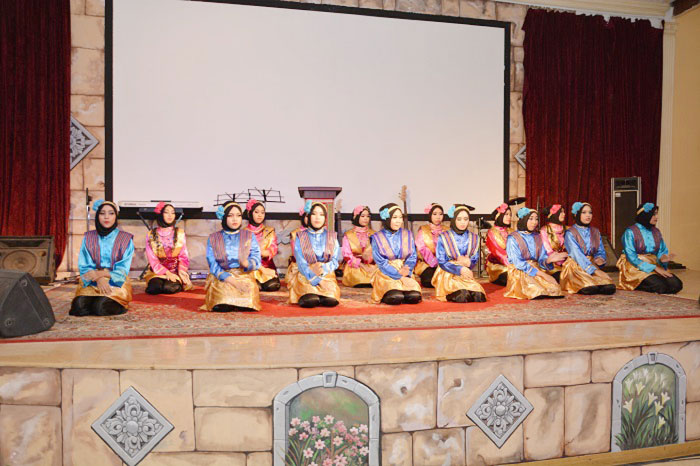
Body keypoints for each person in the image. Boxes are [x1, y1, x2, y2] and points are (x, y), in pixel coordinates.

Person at [69, 199, 134, 316]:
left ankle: (104, 301)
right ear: (97, 216)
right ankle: (95, 299)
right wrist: (98, 278)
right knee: (78, 308)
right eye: (102, 213)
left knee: (101, 308)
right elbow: (84, 264)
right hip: (92, 278)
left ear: (116, 216)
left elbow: (123, 268)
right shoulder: (89, 237)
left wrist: (103, 275)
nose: (106, 217)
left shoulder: (125, 239)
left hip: (115, 280)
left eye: (111, 213)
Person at [202, 201, 261, 312]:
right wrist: (232, 281)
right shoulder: (214, 238)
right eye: (230, 215)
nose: (235, 219)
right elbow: (213, 264)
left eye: (238, 215)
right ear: (224, 217)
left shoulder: (249, 235)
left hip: (244, 274)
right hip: (223, 276)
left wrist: (247, 264)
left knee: (249, 295)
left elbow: (256, 256)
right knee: (223, 299)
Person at [617, 203, 683, 294]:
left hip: (654, 264)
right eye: (654, 214)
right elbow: (631, 257)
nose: (657, 217)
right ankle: (635, 283)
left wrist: (663, 259)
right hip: (635, 266)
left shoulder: (656, 232)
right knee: (660, 286)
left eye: (656, 214)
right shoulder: (630, 232)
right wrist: (654, 268)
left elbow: (661, 251)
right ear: (645, 215)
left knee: (676, 285)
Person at [504, 207, 565, 299]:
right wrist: (544, 275)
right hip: (520, 271)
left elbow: (541, 259)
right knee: (536, 291)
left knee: (555, 290)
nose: (534, 222)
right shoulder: (513, 238)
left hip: (536, 270)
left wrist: (548, 260)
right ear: (524, 219)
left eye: (536, 219)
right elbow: (518, 263)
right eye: (531, 218)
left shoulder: (537, 236)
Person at [289, 201, 341, 308]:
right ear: (308, 216)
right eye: (314, 214)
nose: (317, 217)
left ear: (325, 218)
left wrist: (323, 268)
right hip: (306, 275)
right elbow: (301, 264)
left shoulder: (331, 237)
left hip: (326, 274)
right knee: (310, 300)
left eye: (321, 214)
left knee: (331, 300)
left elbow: (335, 261)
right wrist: (318, 280)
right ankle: (312, 295)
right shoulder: (301, 236)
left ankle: (321, 296)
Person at [433, 204, 486, 302]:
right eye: (459, 219)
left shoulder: (473, 237)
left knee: (479, 297)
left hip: (466, 272)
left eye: (466, 219)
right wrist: (459, 268)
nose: (463, 222)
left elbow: (475, 257)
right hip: (449, 272)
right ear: (454, 220)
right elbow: (442, 261)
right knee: (463, 296)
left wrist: (469, 262)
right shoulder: (444, 237)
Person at [370, 203, 422, 305]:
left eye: (400, 217)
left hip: (405, 270)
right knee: (396, 297)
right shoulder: (377, 237)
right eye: (394, 217)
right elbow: (381, 263)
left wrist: (407, 269)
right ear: (387, 219)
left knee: (414, 297)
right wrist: (400, 277)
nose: (398, 221)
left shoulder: (407, 234)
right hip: (387, 273)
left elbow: (412, 256)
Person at [560, 202, 616, 295]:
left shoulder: (595, 231)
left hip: (592, 263)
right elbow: (576, 254)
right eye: (584, 212)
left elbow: (600, 250)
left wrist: (600, 258)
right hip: (576, 265)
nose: (588, 215)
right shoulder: (570, 233)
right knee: (590, 288)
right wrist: (595, 271)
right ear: (576, 214)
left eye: (590, 212)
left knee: (609, 287)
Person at [143, 202, 192, 294]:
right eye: (166, 212)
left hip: (175, 271)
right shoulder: (151, 235)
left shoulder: (180, 233)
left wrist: (180, 272)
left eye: (173, 212)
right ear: (161, 214)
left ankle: (174, 282)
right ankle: (162, 281)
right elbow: (152, 260)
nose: (170, 215)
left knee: (169, 288)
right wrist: (167, 273)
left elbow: (183, 256)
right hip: (157, 272)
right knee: (154, 288)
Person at [244, 199, 281, 292]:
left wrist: (267, 252)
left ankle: (261, 283)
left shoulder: (269, 230)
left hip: (266, 265)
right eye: (256, 212)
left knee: (272, 286)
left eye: (262, 212)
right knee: (250, 285)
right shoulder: (243, 232)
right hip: (250, 266)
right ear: (250, 213)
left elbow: (274, 246)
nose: (260, 215)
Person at [341, 205, 377, 287]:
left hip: (372, 265)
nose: (366, 218)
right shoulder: (348, 235)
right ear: (356, 217)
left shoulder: (374, 234)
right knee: (359, 278)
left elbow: (379, 252)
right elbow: (347, 255)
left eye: (368, 216)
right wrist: (362, 265)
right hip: (355, 267)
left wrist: (373, 264)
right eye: (363, 216)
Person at [414, 203, 446, 288]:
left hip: (444, 262)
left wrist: (442, 261)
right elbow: (422, 248)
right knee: (429, 280)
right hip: (427, 264)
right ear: (430, 215)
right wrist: (434, 261)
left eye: (440, 214)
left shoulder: (447, 230)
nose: (438, 217)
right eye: (435, 214)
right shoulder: (423, 230)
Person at [539, 204, 568, 282]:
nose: (564, 214)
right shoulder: (544, 230)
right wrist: (559, 259)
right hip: (553, 265)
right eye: (561, 212)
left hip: (568, 263)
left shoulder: (567, 229)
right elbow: (547, 250)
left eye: (564, 212)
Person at [486, 203, 512, 286]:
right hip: (497, 266)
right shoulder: (492, 232)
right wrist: (512, 265)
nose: (509, 217)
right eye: (506, 214)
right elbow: (498, 252)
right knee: (511, 277)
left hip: (513, 264)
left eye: (510, 215)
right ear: (499, 216)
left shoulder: (511, 231)